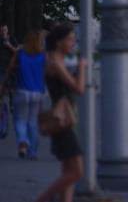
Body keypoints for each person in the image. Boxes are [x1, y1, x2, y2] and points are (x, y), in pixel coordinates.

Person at [35, 23, 87, 202]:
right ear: (59, 42)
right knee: (77, 172)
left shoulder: (54, 62)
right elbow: (78, 89)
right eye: (70, 39)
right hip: (63, 119)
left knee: (68, 171)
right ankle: (43, 199)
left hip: (65, 118)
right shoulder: (55, 64)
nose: (73, 42)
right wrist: (82, 67)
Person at [0, 29, 46, 159]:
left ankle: (23, 141)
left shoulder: (20, 53)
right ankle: (33, 152)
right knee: (33, 122)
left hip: (22, 91)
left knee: (19, 120)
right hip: (38, 93)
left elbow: (9, 70)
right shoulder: (44, 55)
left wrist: (3, 87)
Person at [0, 24, 18, 106]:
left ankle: (11, 102)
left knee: (11, 90)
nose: (3, 32)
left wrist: (9, 45)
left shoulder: (11, 39)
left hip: (10, 67)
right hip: (1, 67)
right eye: (1, 30)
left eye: (4, 30)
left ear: (7, 31)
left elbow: (17, 51)